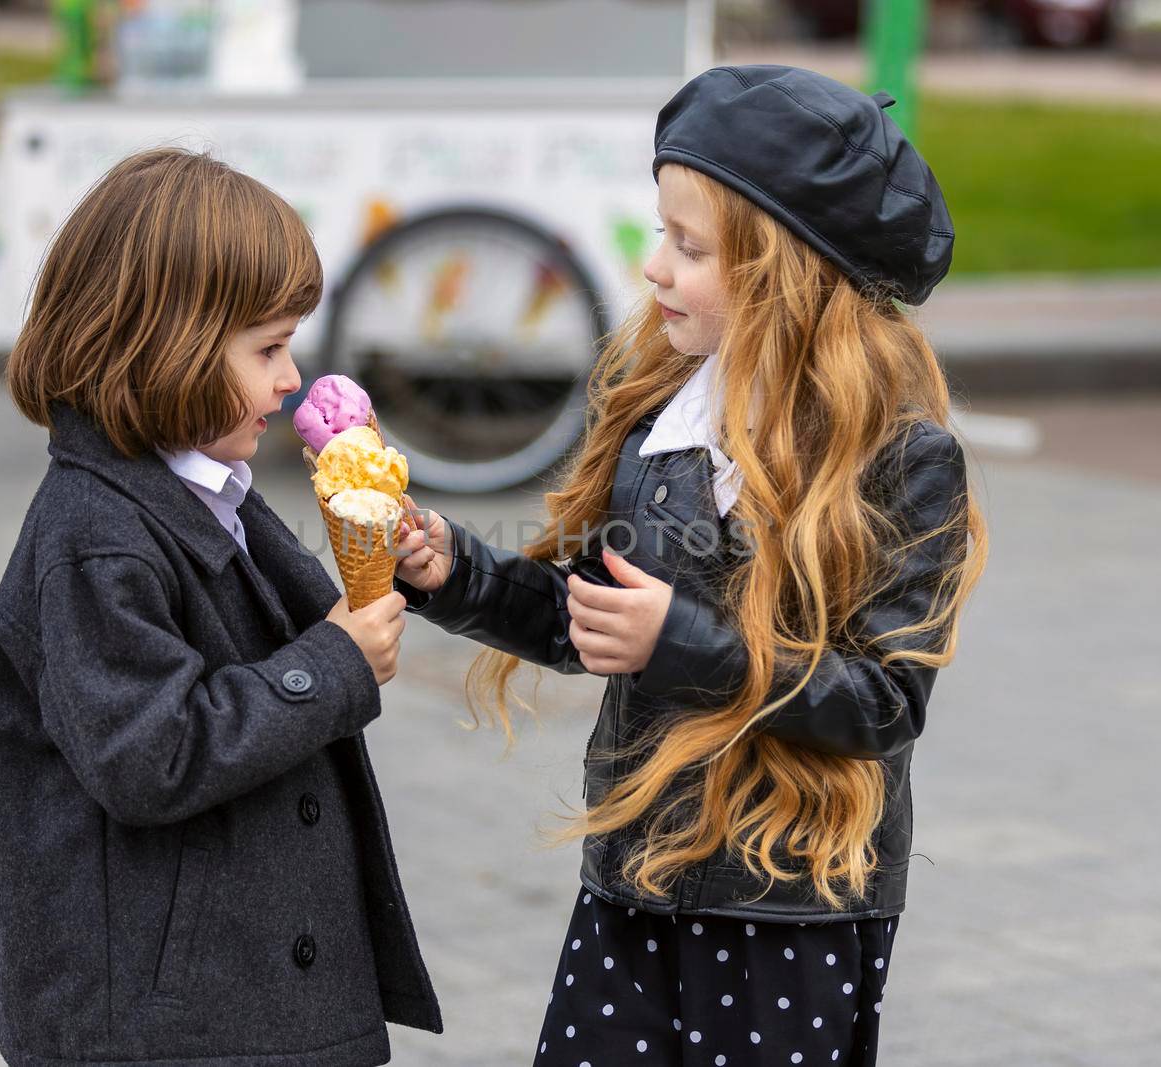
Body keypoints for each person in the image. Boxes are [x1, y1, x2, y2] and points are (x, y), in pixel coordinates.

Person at [393, 66, 987, 1065]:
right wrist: (457, 573)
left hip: (792, 905)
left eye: (689, 246)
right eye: (660, 233)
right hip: (635, 880)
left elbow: (884, 702)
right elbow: (590, 617)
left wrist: (684, 641)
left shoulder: (898, 457)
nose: (655, 268)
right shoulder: (663, 424)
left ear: (786, 273)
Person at [0, 147, 439, 1067]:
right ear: (165, 349)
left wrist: (388, 560)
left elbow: (295, 616)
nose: (290, 380)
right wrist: (336, 664)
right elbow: (150, 753)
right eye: (267, 349)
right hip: (162, 1024)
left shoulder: (192, 483)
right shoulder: (97, 533)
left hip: (237, 999)